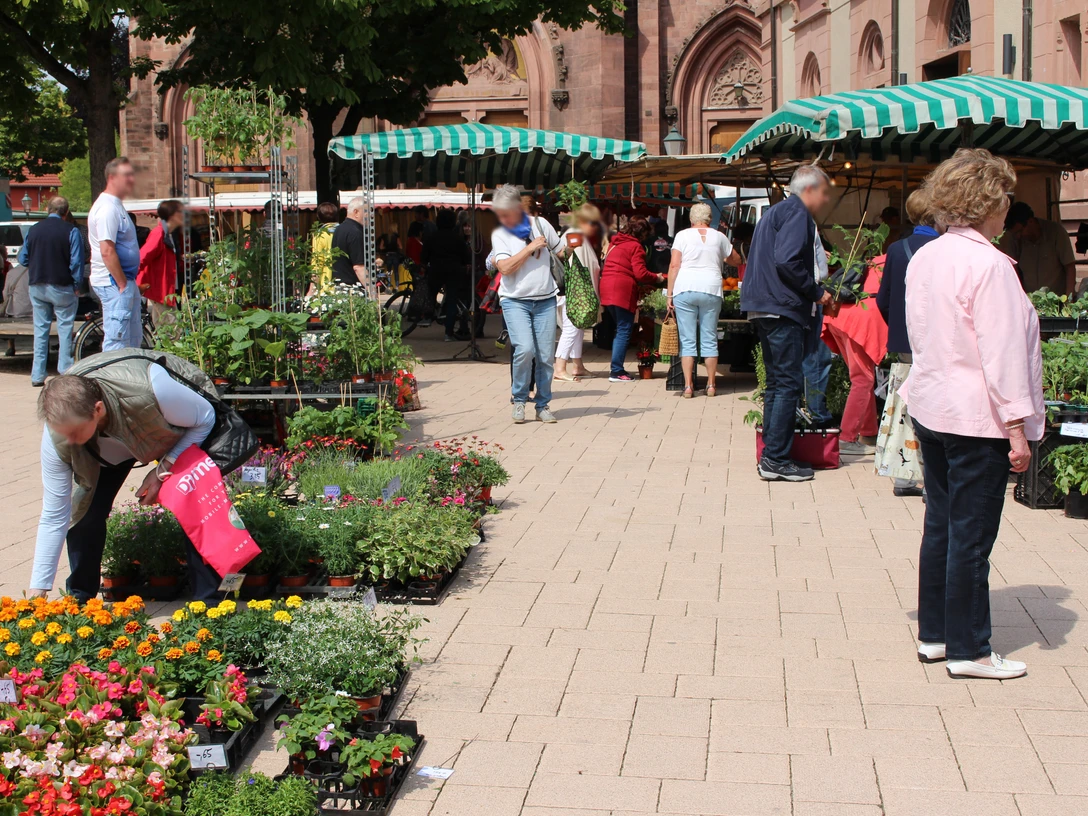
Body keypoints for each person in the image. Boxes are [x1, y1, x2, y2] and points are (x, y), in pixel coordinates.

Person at [903, 148, 1043, 680]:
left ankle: (937, 635)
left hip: (934, 403)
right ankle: (971, 650)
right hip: (977, 416)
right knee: (971, 535)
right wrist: (1018, 430)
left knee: (941, 523)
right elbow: (1003, 353)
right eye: (1004, 197)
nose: (1008, 207)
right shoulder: (989, 265)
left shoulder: (927, 256)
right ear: (987, 202)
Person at [28, 348, 227, 602]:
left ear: (98, 409)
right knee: (84, 515)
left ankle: (210, 602)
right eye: (63, 434)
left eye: (75, 433)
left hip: (170, 430)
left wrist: (162, 470)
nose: (70, 442)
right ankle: (80, 599)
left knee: (195, 502)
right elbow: (55, 514)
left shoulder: (154, 391)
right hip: (109, 451)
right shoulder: (59, 438)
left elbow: (205, 418)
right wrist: (38, 589)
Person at [741, 164, 833, 482]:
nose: (825, 200)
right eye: (824, 192)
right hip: (782, 306)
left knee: (779, 384)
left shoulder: (778, 211)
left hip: (766, 305)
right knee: (787, 384)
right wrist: (816, 291)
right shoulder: (797, 213)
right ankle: (776, 458)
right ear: (809, 190)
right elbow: (788, 260)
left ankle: (773, 456)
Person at [875, 188, 939, 497]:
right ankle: (932, 479)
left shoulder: (897, 249)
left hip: (902, 341)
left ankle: (902, 476)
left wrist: (900, 327)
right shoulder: (944, 248)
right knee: (933, 407)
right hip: (937, 342)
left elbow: (883, 299)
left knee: (903, 406)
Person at [490, 184, 562, 423]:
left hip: (545, 299)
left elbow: (561, 252)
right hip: (515, 301)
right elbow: (504, 268)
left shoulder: (541, 225)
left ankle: (543, 405)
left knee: (545, 357)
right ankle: (519, 399)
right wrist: (530, 248)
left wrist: (575, 241)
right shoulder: (500, 234)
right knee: (525, 349)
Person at [666, 202, 741, 397]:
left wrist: (670, 293)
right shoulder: (720, 237)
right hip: (711, 288)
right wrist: (721, 257)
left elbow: (674, 265)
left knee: (687, 340)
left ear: (691, 218)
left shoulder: (682, 236)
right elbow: (736, 259)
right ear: (709, 219)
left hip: (685, 288)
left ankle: (689, 386)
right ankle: (711, 385)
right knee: (709, 338)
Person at [821, 256, 887, 454]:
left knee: (863, 377)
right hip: (862, 318)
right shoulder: (906, 259)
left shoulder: (876, 259)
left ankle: (868, 433)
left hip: (839, 314)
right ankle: (847, 438)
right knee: (862, 379)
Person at [18, 196, 83, 387]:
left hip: (37, 284)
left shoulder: (34, 229)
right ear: (66, 212)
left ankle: (37, 374)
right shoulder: (72, 231)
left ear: (48, 209)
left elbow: (23, 258)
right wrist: (77, 285)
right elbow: (76, 262)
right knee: (64, 328)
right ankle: (65, 369)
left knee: (40, 329)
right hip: (62, 285)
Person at [599, 216, 666, 382]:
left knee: (619, 329)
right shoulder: (635, 246)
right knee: (624, 329)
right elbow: (640, 273)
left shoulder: (615, 243)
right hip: (622, 289)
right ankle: (616, 371)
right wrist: (657, 278)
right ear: (642, 234)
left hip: (607, 287)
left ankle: (616, 369)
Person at [88, 157, 141, 351]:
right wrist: (121, 284)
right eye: (126, 175)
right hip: (113, 282)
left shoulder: (115, 206)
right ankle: (111, 380)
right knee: (117, 340)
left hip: (122, 281)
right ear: (112, 178)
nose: (131, 180)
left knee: (131, 338)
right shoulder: (107, 208)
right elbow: (107, 250)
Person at [555, 204, 602, 381]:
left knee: (577, 327)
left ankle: (577, 365)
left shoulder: (576, 234)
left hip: (576, 290)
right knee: (572, 327)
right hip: (575, 290)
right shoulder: (574, 234)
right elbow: (579, 263)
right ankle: (560, 366)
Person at [1002, 201, 1077, 295]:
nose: (1018, 236)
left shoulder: (1056, 232)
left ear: (1030, 221)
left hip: (1056, 301)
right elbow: (1013, 269)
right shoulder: (1014, 239)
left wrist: (1069, 298)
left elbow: (1069, 266)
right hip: (1030, 301)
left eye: (1020, 231)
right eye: (1015, 233)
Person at [423, 209, 472, 341]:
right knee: (451, 300)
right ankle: (448, 333)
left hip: (436, 270)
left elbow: (424, 256)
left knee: (431, 293)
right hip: (454, 271)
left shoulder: (432, 237)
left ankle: (428, 316)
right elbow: (466, 257)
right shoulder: (457, 238)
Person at [136, 199, 184, 327]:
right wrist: (130, 278)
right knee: (174, 331)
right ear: (172, 215)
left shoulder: (168, 234)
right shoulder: (159, 234)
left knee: (163, 330)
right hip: (160, 291)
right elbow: (142, 257)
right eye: (181, 211)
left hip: (165, 291)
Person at [331, 197, 369, 287]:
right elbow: (359, 267)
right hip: (353, 288)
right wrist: (371, 291)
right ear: (356, 212)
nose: (370, 215)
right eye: (366, 211)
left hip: (339, 285)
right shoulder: (355, 232)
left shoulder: (339, 229)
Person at [307, 202, 339, 295]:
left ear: (319, 217)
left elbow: (317, 262)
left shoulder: (320, 235)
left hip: (327, 282)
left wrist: (311, 289)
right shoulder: (345, 232)